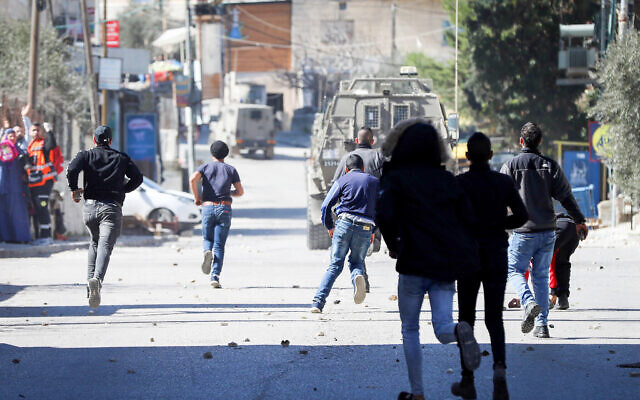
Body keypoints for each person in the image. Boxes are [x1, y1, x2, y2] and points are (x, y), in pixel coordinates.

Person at [375, 120, 481, 400]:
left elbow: (384, 215)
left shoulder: (396, 178)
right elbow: (468, 219)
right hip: (445, 265)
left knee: (410, 329)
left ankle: (418, 393)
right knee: (443, 327)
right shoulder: (447, 180)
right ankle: (459, 331)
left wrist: (393, 244)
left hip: (412, 262)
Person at [451, 132, 529, 400]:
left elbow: (450, 219)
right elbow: (522, 215)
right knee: (494, 317)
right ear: (492, 156)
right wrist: (498, 225)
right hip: (496, 255)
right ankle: (499, 372)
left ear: (467, 156)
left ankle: (467, 379)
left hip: (468, 257)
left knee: (466, 319)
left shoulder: (459, 183)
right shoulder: (503, 182)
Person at [500, 122, 588, 338]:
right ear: (540, 142)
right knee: (540, 277)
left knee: (514, 270)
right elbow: (565, 196)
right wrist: (580, 220)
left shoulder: (510, 166)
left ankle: (528, 302)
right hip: (548, 231)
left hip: (522, 232)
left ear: (521, 141)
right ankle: (542, 326)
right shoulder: (550, 166)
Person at [67, 125, 143, 309]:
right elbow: (138, 178)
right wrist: (121, 190)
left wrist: (74, 189)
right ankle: (97, 280)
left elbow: (71, 170)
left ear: (94, 140)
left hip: (90, 208)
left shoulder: (85, 155)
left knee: (94, 243)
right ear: (110, 141)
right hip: (111, 208)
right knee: (105, 246)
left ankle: (90, 284)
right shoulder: (121, 157)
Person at [310, 153, 378, 313]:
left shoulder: (342, 180)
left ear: (346, 169)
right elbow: (382, 208)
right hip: (365, 226)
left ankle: (318, 303)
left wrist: (330, 226)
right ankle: (357, 278)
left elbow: (326, 205)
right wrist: (373, 230)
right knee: (356, 262)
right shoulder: (374, 182)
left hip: (345, 223)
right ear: (363, 168)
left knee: (335, 265)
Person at [331, 126, 386, 292]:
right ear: (372, 141)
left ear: (356, 141)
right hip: (375, 212)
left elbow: (336, 185)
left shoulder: (347, 158)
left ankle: (361, 278)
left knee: (354, 250)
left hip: (353, 213)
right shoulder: (379, 157)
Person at [190, 140, 244, 288]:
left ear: (211, 153)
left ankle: (207, 251)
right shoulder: (230, 170)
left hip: (207, 206)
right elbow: (240, 192)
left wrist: (197, 197)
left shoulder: (205, 167)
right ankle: (215, 276)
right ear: (226, 154)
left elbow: (192, 179)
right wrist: (229, 192)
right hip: (224, 208)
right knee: (219, 245)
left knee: (208, 238)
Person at [26, 121, 58, 245]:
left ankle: (46, 237)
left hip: (44, 182)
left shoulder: (44, 143)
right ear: (30, 132)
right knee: (39, 209)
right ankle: (44, 236)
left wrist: (50, 132)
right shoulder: (31, 145)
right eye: (33, 130)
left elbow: (52, 145)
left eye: (38, 130)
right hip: (35, 183)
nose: (36, 132)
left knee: (42, 208)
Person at [0, 130, 31, 243]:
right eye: (10, 136)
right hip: (4, 187)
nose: (12, 138)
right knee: (4, 214)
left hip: (16, 188)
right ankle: (6, 238)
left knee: (18, 214)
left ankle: (21, 238)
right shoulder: (2, 148)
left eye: (14, 136)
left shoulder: (19, 151)